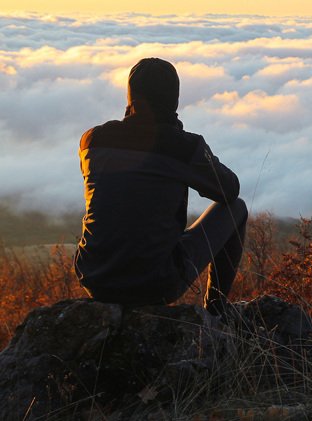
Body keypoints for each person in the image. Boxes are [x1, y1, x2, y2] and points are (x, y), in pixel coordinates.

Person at [74, 57, 247, 316]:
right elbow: (229, 189)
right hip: (156, 284)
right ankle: (216, 310)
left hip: (94, 276)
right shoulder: (182, 147)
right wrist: (189, 147)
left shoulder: (92, 140)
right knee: (236, 209)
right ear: (174, 99)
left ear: (131, 95)